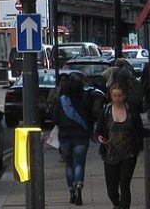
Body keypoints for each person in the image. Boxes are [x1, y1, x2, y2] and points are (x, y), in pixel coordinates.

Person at [95, 83, 145, 209]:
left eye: (120, 95)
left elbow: (140, 130)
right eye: (115, 96)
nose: (117, 98)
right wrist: (99, 137)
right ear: (111, 96)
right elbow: (98, 130)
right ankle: (117, 204)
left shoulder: (131, 111)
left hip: (128, 154)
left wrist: (139, 145)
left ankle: (125, 206)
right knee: (111, 190)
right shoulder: (106, 111)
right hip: (110, 154)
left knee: (124, 184)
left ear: (124, 96)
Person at [53, 73, 93, 205]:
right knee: (79, 164)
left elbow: (55, 119)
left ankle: (71, 191)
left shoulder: (61, 101)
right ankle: (79, 187)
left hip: (65, 137)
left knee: (69, 164)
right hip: (81, 136)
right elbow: (91, 118)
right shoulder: (85, 100)